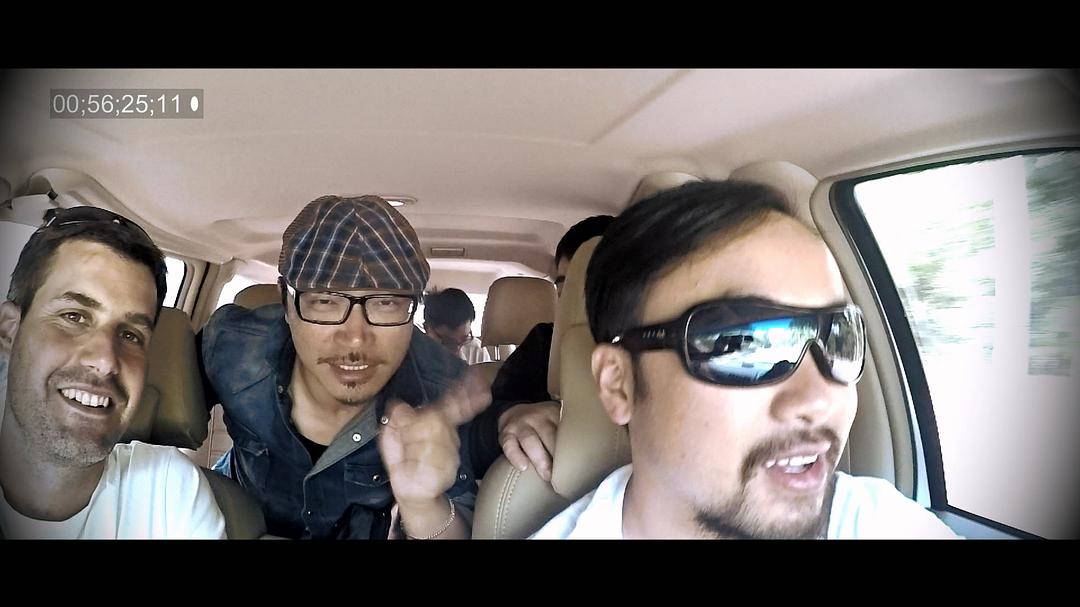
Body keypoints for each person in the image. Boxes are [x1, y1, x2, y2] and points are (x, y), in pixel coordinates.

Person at [532, 180, 960, 539]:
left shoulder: (880, 522)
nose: (819, 399)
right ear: (618, 384)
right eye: (741, 344)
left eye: (837, 336)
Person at [198, 195, 490, 539]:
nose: (355, 339)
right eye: (325, 301)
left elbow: (460, 522)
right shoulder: (231, 346)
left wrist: (424, 506)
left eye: (386, 302)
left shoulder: (445, 391)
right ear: (286, 302)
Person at [0, 206, 226, 539]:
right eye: (74, 317)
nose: (106, 360)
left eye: (131, 335)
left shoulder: (170, 494)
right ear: (9, 331)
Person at [470, 215, 613, 479]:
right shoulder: (544, 344)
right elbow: (482, 428)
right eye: (565, 290)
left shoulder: (657, 351)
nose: (577, 301)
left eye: (590, 285)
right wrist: (509, 418)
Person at [423, 288, 490, 364]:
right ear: (427, 328)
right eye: (448, 342)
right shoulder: (414, 355)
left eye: (464, 339)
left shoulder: (477, 351)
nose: (456, 353)